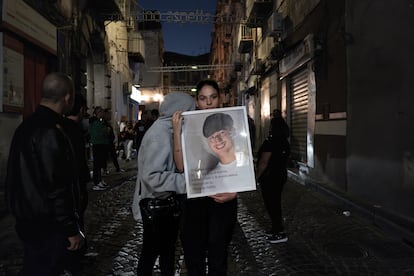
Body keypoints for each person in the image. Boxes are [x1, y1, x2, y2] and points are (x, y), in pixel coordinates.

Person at [5, 72, 84, 275]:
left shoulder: (25, 126)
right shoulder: (51, 131)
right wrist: (70, 229)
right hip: (47, 225)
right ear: (68, 97)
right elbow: (56, 185)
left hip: (28, 220)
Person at [172, 79, 237, 275]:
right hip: (195, 203)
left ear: (221, 99)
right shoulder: (187, 126)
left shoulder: (235, 123)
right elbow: (181, 166)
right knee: (194, 260)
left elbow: (241, 167)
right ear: (197, 101)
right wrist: (176, 132)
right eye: (203, 98)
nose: (208, 103)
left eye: (213, 97)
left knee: (218, 260)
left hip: (223, 203)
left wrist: (234, 193)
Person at [135, 92, 195, 275]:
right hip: (156, 204)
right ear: (179, 113)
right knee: (152, 253)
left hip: (162, 204)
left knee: (165, 253)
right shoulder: (159, 135)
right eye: (190, 111)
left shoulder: (166, 130)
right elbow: (153, 177)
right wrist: (187, 183)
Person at [256, 109, 290, 244]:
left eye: (270, 125)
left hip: (270, 178)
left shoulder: (270, 142)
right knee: (275, 203)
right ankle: (276, 228)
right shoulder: (285, 142)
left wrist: (256, 177)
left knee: (272, 205)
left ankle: (279, 232)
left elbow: (264, 162)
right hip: (281, 176)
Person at [200, 113, 252, 195]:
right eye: (212, 137)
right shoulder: (209, 180)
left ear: (233, 132)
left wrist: (235, 195)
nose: (217, 140)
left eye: (221, 133)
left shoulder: (249, 164)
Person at [89, 106, 110, 190]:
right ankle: (96, 182)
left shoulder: (99, 122)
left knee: (100, 163)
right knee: (97, 164)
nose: (103, 113)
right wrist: (106, 130)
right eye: (101, 112)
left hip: (101, 143)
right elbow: (102, 132)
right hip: (98, 144)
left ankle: (99, 180)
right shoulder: (95, 123)